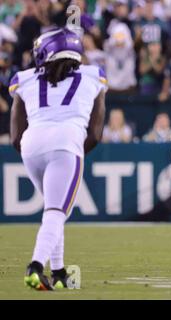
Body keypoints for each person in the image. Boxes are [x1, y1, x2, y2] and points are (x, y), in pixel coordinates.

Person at [9, 28, 106, 290]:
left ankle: (60, 272)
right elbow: (96, 133)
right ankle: (36, 267)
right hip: (66, 141)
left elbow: (15, 135)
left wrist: (36, 151)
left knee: (54, 210)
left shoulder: (24, 78)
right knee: (57, 211)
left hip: (31, 144)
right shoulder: (93, 75)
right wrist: (70, 153)